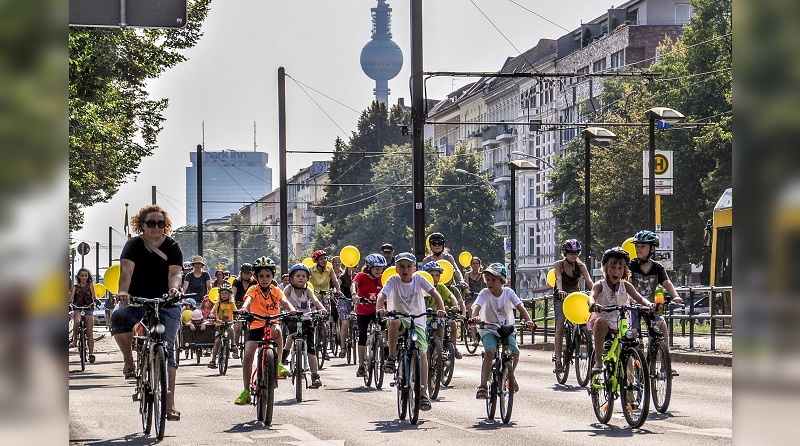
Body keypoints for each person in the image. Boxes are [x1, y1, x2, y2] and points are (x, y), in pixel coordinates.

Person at [110, 204, 184, 421]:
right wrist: (123, 291)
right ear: (141, 225)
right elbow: (126, 271)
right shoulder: (133, 245)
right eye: (150, 223)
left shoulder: (172, 246)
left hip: (165, 299)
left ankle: (169, 405)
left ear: (165, 225)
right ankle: (128, 361)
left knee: (168, 350)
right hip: (136, 297)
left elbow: (175, 273)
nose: (155, 227)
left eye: (160, 223)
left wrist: (174, 288)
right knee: (119, 317)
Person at [376, 252, 446, 412]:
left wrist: (441, 309)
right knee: (393, 323)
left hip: (418, 321)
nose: (405, 269)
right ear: (396, 269)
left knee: (422, 354)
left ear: (414, 268)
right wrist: (380, 308)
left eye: (408, 266)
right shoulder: (393, 281)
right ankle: (392, 358)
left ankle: (423, 394)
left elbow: (435, 294)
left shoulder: (419, 280)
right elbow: (382, 296)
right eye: (401, 266)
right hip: (399, 317)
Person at [235, 256, 297, 405]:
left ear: (272, 277)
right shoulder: (253, 289)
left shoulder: (276, 290)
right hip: (256, 324)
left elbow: (284, 301)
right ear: (256, 277)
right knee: (249, 354)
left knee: (278, 332)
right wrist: (244, 309)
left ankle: (279, 364)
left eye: (268, 276)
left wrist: (292, 310)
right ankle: (246, 391)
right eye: (261, 276)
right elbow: (248, 300)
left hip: (272, 322)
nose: (264, 279)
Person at [470, 263, 537, 399]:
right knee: (490, 352)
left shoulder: (508, 293)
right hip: (488, 328)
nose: (490, 283)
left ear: (501, 281)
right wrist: (475, 316)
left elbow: (520, 306)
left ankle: (509, 375)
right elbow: (476, 305)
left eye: (493, 280)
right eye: (487, 279)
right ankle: (482, 386)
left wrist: (529, 320)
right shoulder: (485, 293)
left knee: (515, 353)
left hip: (507, 329)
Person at [587, 247, 653, 374]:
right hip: (604, 323)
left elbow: (639, 298)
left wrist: (649, 305)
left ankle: (631, 383)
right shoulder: (600, 285)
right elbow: (592, 296)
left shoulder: (626, 285)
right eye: (612, 267)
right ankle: (599, 360)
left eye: (620, 268)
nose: (616, 271)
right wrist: (593, 304)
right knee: (600, 322)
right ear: (606, 268)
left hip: (621, 323)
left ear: (624, 271)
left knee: (630, 341)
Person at [627, 230, 684, 375]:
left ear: (652, 249)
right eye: (637, 246)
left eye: (642, 246)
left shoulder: (658, 267)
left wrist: (675, 296)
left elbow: (667, 283)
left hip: (654, 304)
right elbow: (627, 283)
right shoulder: (631, 265)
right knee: (632, 333)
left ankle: (666, 364)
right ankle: (632, 366)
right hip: (635, 304)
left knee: (662, 326)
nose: (638, 249)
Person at [282, 263, 328, 388]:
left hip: (305, 318)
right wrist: (285, 309)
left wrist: (322, 309)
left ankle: (315, 376)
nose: (301, 278)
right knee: (292, 334)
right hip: (292, 318)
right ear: (291, 278)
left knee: (311, 349)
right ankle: (282, 360)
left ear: (307, 279)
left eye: (303, 276)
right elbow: (283, 299)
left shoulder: (307, 290)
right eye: (298, 276)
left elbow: (315, 300)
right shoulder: (288, 289)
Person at [552, 239, 594, 374]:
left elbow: (589, 280)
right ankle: (558, 361)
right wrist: (560, 290)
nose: (573, 255)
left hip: (575, 297)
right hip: (561, 297)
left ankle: (582, 337)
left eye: (576, 252)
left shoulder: (581, 266)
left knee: (584, 320)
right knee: (559, 327)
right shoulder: (559, 264)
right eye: (570, 253)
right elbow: (558, 278)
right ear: (565, 253)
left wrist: (596, 292)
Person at [351, 253, 386, 377]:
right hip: (363, 310)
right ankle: (361, 366)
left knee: (384, 329)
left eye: (381, 269)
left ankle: (383, 351)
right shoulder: (361, 276)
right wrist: (355, 295)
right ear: (369, 268)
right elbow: (353, 284)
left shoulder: (383, 278)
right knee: (362, 334)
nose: (379, 271)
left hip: (378, 309)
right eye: (377, 269)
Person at [421, 262, 464, 360]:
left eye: (437, 275)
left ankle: (439, 349)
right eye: (432, 275)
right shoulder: (421, 286)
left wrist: (455, 305)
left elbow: (451, 296)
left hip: (437, 316)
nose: (435, 277)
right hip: (423, 317)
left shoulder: (441, 287)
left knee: (441, 322)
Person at [308, 249, 342, 360]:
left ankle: (324, 350)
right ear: (316, 261)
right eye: (321, 259)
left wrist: (338, 290)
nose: (324, 261)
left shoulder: (329, 269)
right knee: (312, 321)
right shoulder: (311, 270)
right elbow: (305, 281)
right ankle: (312, 343)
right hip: (314, 297)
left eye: (325, 258)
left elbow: (335, 281)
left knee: (326, 324)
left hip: (326, 297)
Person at [69, 267, 98, 363]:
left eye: (86, 276)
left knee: (89, 332)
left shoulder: (90, 286)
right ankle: (75, 340)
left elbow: (94, 297)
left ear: (88, 276)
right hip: (78, 308)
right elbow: (71, 298)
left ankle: (91, 354)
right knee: (76, 321)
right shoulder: (75, 287)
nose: (84, 277)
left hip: (88, 308)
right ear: (79, 277)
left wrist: (96, 301)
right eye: (82, 276)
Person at [208, 283, 238, 367]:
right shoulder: (218, 303)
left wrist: (237, 316)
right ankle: (213, 360)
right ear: (219, 295)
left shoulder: (231, 303)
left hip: (228, 323)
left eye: (226, 293)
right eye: (222, 293)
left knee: (231, 330)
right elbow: (213, 311)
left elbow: (236, 311)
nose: (224, 295)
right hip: (219, 324)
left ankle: (233, 344)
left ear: (229, 294)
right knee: (217, 341)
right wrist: (211, 315)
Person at [332, 255, 355, 359]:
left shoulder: (358, 276)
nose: (352, 269)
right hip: (343, 301)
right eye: (350, 267)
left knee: (355, 323)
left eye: (354, 267)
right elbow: (337, 285)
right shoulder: (342, 277)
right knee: (345, 322)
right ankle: (343, 347)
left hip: (355, 302)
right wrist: (336, 292)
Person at [232, 262, 257, 351]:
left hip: (251, 306)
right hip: (238, 305)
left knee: (250, 327)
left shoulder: (254, 282)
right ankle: (235, 346)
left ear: (251, 274)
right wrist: (232, 305)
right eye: (244, 273)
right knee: (237, 326)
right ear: (241, 273)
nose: (246, 275)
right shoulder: (236, 281)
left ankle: (248, 346)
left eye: (248, 273)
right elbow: (233, 295)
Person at [463, 256, 485, 346]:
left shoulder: (482, 274)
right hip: (471, 296)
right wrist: (468, 291)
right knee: (472, 314)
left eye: (477, 263)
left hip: (480, 296)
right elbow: (466, 286)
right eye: (473, 263)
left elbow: (486, 285)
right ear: (471, 265)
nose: (475, 265)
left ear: (480, 265)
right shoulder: (467, 274)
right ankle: (475, 339)